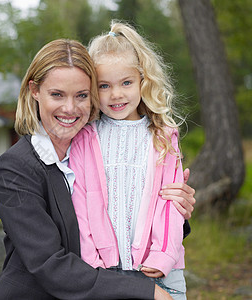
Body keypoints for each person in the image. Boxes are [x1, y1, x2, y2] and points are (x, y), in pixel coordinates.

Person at [0, 38, 195, 300]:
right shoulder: (17, 167)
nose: (70, 108)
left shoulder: (95, 148)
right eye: (57, 94)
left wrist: (177, 212)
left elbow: (130, 207)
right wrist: (146, 290)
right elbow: (49, 264)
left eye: (81, 96)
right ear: (34, 90)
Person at [69, 21, 189, 299]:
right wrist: (91, 263)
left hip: (161, 269)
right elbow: (80, 205)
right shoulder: (86, 138)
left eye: (126, 82)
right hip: (105, 272)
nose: (116, 94)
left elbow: (171, 204)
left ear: (142, 81)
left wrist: (164, 256)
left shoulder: (163, 136)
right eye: (104, 86)